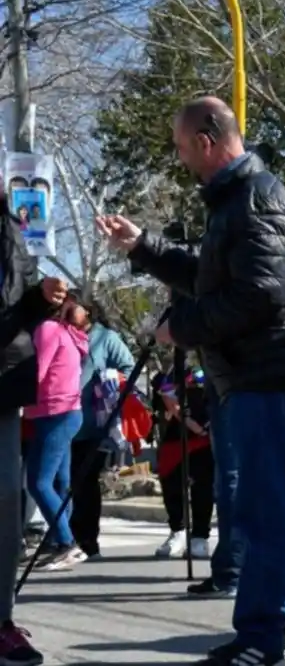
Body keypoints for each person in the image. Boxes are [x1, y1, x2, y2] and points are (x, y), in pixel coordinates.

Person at [95, 95, 285, 666]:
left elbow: (259, 294)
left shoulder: (255, 196)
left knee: (263, 510)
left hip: (268, 373)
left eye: (181, 148)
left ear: (205, 140)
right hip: (254, 374)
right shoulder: (236, 200)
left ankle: (267, 638)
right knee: (256, 508)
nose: (181, 160)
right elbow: (210, 275)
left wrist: (183, 327)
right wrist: (143, 246)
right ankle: (262, 634)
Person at [0, 185, 64, 666]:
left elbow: (17, 303)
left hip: (4, 380)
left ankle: (2, 621)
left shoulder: (12, 223)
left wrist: (42, 297)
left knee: (7, 502)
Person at [66, 293, 134, 560]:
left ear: (88, 310)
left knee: (85, 482)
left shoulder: (105, 338)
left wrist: (110, 377)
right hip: (64, 421)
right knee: (66, 482)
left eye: (73, 305)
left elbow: (129, 367)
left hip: (94, 424)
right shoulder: (63, 334)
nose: (67, 310)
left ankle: (87, 540)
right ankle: (67, 539)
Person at [24, 299, 89, 571]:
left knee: (39, 483)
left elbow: (37, 370)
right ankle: (56, 542)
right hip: (68, 412)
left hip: (54, 413)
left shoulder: (48, 328)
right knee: (60, 483)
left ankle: (66, 543)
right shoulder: (71, 333)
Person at [154, 370, 214, 560]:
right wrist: (181, 414)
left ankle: (199, 536)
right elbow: (165, 390)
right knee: (171, 482)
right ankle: (178, 531)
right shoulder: (177, 368)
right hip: (176, 434)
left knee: (202, 486)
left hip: (206, 432)